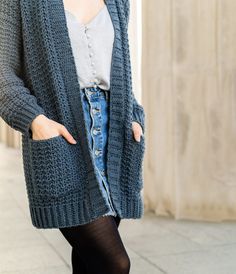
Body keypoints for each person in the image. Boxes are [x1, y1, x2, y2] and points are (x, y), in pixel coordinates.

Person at [0, 0, 146, 273]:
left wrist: (134, 115)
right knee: (114, 263)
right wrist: (36, 121)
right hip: (62, 138)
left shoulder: (118, 2)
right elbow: (2, 73)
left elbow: (121, 68)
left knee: (89, 260)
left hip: (114, 140)